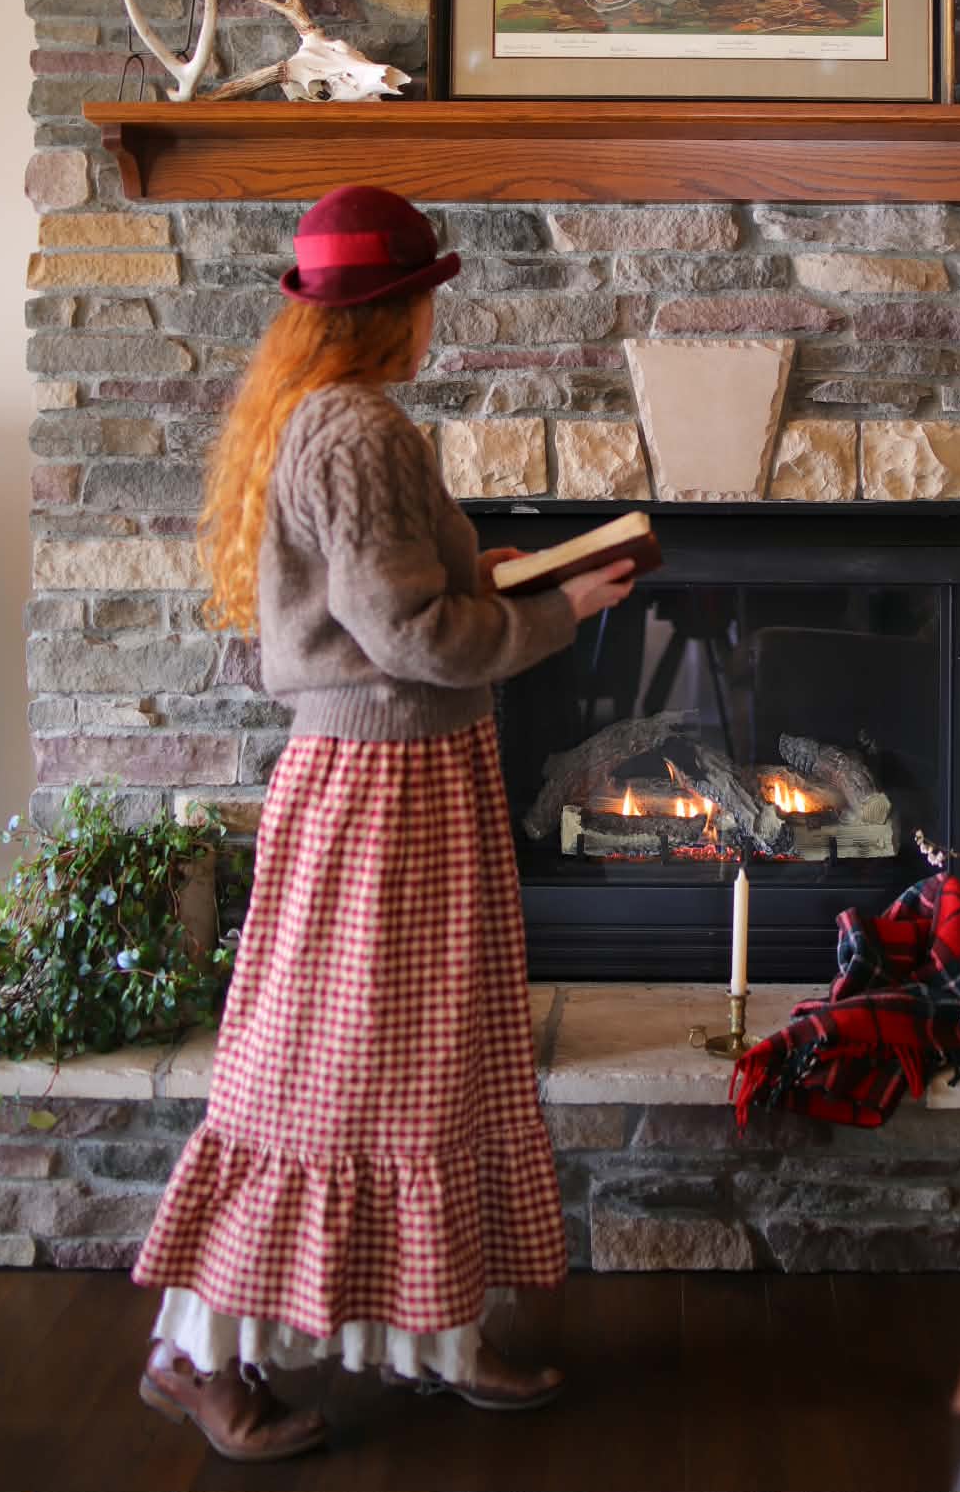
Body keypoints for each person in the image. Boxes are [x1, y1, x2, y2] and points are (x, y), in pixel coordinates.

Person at [131, 186, 635, 1464]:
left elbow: (393, 605)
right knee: (328, 1074)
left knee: (426, 1065)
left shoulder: (330, 422)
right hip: (379, 794)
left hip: (409, 779)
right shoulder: (353, 432)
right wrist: (561, 608)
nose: (429, 320)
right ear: (398, 309)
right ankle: (195, 1356)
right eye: (422, 299)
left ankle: (432, 1335)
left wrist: (505, 585)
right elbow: (407, 635)